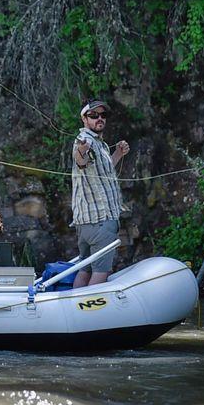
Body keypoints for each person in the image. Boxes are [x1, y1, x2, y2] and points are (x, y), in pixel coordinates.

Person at [70, 99, 130, 287]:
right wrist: (81, 151)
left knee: (85, 269)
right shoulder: (84, 140)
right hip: (101, 221)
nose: (99, 119)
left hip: (85, 223)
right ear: (84, 119)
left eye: (103, 115)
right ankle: (89, 314)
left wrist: (118, 154)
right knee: (101, 272)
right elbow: (81, 161)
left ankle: (73, 312)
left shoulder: (102, 145)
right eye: (94, 115)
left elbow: (103, 172)